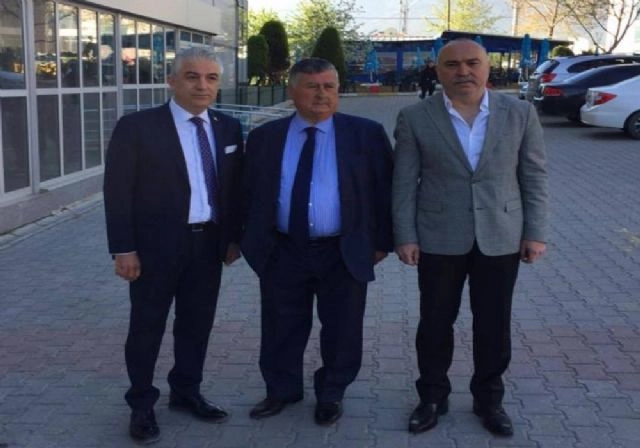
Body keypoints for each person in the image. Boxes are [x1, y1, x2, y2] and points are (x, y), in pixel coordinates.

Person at [392, 39, 549, 437]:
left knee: (494, 324)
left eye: (472, 63)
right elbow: (404, 183)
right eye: (452, 64)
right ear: (438, 70)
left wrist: (535, 232)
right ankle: (432, 397)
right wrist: (405, 235)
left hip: (501, 234)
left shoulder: (520, 113)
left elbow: (533, 175)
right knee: (435, 322)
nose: (463, 71)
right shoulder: (415, 117)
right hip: (438, 236)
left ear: (486, 67)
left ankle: (489, 400)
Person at [241, 57, 393, 426]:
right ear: (293, 91)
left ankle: (331, 392)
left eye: (329, 86)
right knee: (281, 325)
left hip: (343, 249)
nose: (322, 94)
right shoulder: (265, 137)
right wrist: (249, 242)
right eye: (312, 86)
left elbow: (385, 190)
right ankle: (282, 390)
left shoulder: (366, 134)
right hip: (283, 249)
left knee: (343, 327)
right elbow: (246, 192)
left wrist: (382, 243)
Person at [103, 46, 244, 444]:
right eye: (192, 77)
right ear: (172, 81)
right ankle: (141, 404)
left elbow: (235, 189)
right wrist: (123, 248)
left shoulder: (228, 127)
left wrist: (233, 237)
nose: (202, 85)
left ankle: (186, 390)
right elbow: (117, 192)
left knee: (196, 325)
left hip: (208, 245)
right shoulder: (138, 127)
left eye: (211, 78)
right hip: (154, 249)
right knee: (147, 326)